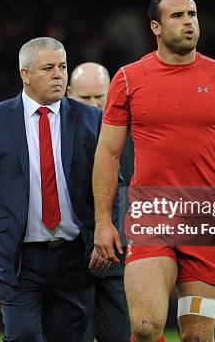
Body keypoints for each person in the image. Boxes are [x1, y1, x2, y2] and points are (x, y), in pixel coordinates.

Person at [92, 0, 215, 342]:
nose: (188, 22)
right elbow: (107, 153)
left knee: (196, 336)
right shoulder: (129, 78)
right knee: (145, 327)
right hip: (151, 215)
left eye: (192, 14)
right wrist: (103, 221)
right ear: (156, 27)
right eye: (177, 16)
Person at [0, 37, 112, 341]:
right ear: (25, 73)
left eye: (62, 66)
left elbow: (115, 181)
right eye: (48, 68)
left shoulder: (91, 119)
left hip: (74, 255)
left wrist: (107, 230)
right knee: (23, 335)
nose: (58, 74)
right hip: (17, 256)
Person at [67, 62, 131, 342]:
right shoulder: (52, 135)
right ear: (69, 94)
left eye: (99, 96)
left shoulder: (134, 138)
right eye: (85, 97)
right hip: (67, 257)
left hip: (119, 255)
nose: (93, 105)